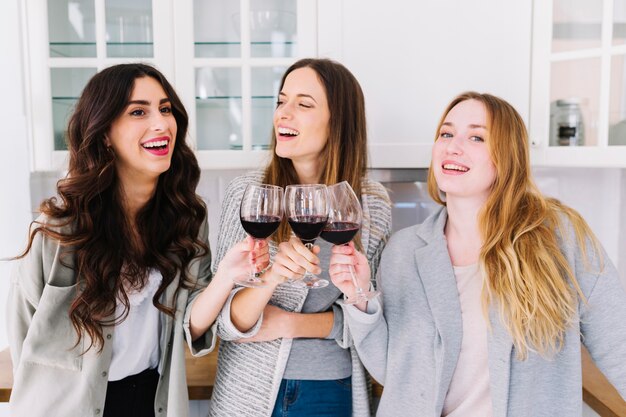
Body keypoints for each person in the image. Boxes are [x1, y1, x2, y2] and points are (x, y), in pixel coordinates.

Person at [329, 92, 626, 416]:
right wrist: (359, 295)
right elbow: (392, 372)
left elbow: (618, 343)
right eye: (446, 133)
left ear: (506, 157)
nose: (453, 146)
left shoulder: (558, 237)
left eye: (476, 136)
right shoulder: (404, 250)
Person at [6, 63, 268, 417]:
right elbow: (24, 336)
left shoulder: (187, 218)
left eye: (165, 109)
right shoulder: (61, 230)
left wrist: (225, 277)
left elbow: (190, 321)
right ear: (103, 133)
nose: (161, 123)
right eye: (138, 111)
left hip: (149, 400)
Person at [207, 58, 392, 417]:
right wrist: (270, 281)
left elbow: (376, 323)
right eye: (281, 101)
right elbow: (222, 319)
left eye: (303, 104)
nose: (283, 114)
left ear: (338, 121)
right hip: (247, 391)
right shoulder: (249, 194)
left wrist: (291, 323)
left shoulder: (369, 204)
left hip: (328, 389)